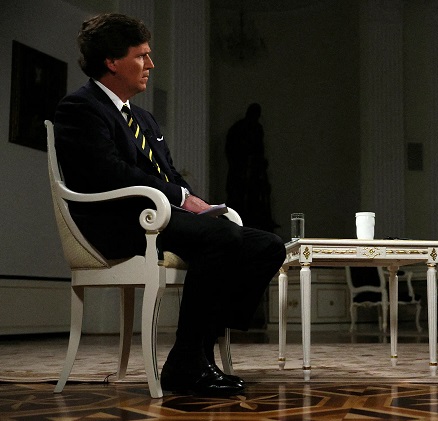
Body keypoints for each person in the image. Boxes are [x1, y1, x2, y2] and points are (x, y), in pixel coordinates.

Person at [53, 13, 286, 397]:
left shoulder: (143, 118)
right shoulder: (80, 107)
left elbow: (170, 174)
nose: (151, 64)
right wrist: (180, 198)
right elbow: (109, 174)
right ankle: (188, 361)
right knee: (222, 238)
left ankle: (197, 349)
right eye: (141, 56)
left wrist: (197, 203)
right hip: (115, 223)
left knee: (268, 245)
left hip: (159, 218)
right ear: (112, 62)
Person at [225, 103, 277, 232]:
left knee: (256, 194)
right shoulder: (238, 128)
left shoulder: (257, 128)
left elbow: (259, 149)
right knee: (238, 196)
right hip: (240, 169)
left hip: (253, 170)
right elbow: (231, 149)